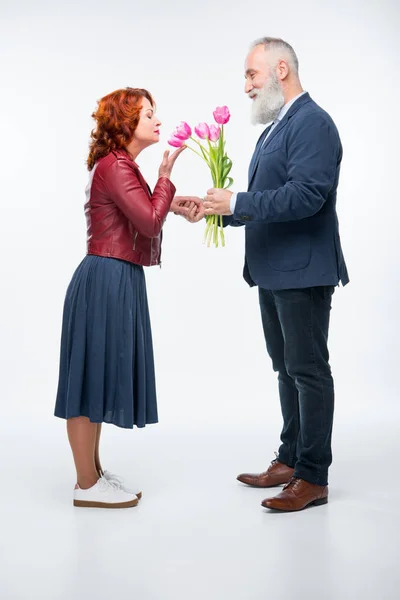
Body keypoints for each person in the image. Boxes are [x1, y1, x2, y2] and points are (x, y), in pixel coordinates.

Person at [203, 38, 349, 512]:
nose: (246, 86)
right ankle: (290, 459)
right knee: (286, 369)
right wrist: (213, 211)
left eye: (252, 74)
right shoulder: (276, 129)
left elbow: (307, 195)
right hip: (274, 270)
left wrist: (239, 202)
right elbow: (268, 201)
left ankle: (313, 477)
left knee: (308, 372)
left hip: (303, 272)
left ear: (280, 69)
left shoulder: (313, 123)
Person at [54, 87, 200, 509]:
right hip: (106, 278)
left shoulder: (121, 166)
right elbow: (148, 223)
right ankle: (86, 485)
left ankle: (93, 474)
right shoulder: (116, 166)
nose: (157, 120)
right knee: (86, 380)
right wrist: (167, 182)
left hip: (114, 276)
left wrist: (172, 203)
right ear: (125, 122)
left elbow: (143, 213)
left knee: (94, 376)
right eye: (148, 113)